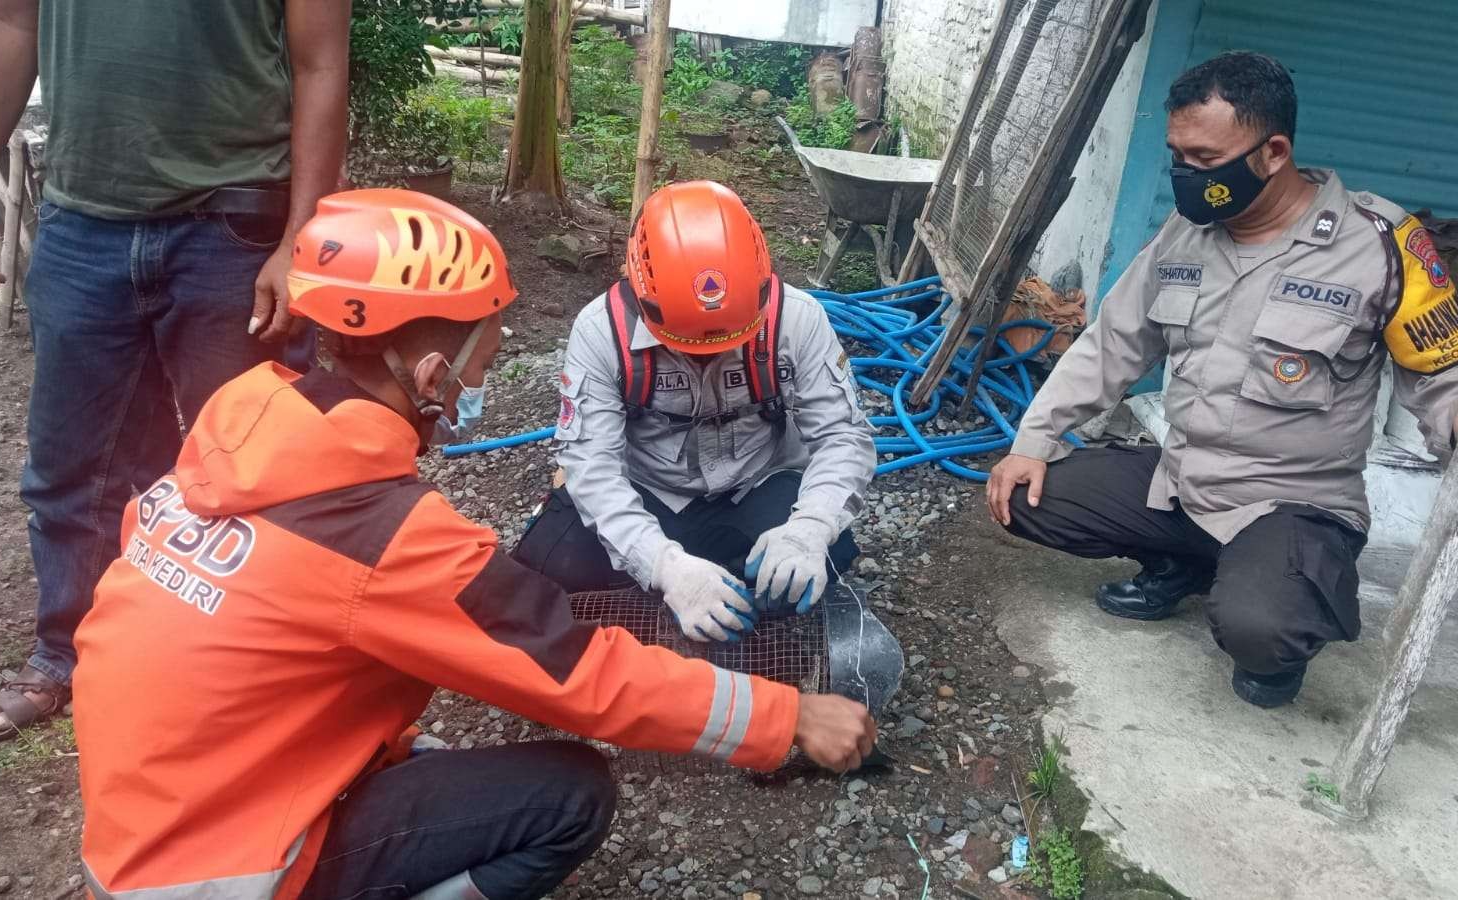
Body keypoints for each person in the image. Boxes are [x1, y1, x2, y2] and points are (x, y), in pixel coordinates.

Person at [71, 190, 878, 900]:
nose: (483, 377)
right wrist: (786, 714)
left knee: (810, 559)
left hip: (148, 823)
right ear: (431, 375)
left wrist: (808, 529)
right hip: (232, 870)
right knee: (570, 794)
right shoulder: (389, 536)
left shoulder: (238, 429)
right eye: (486, 355)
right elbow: (575, 668)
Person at [985, 52, 1458, 708]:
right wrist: (1034, 439)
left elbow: (1443, 374)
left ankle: (1288, 603)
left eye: (1203, 158)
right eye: (1177, 155)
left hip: (1295, 501)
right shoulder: (1183, 234)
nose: (1184, 176)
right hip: (1185, 481)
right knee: (1025, 497)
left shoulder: (1381, 242)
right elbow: (1111, 346)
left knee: (1260, 631)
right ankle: (1189, 563)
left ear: (1274, 150)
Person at [0, 0, 347, 742]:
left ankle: (255, 665)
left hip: (235, 223)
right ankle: (73, 652)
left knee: (262, 469)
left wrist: (302, 237)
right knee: (71, 468)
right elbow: (9, 23)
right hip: (83, 219)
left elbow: (319, 62)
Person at [513, 181, 876, 642]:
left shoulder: (798, 319)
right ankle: (692, 579)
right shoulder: (600, 332)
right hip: (651, 488)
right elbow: (592, 467)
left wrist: (809, 528)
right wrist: (664, 565)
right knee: (546, 567)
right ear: (641, 295)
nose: (706, 357)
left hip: (755, 483)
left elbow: (844, 436)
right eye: (684, 345)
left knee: (825, 556)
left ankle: (736, 582)